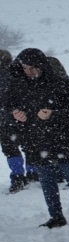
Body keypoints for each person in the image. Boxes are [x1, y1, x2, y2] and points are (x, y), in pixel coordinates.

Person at [8, 49, 69, 228]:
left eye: (32, 67)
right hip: (35, 142)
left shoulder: (61, 83)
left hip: (63, 140)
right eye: (25, 68)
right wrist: (15, 114)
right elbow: (8, 108)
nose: (29, 72)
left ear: (42, 65)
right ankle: (56, 216)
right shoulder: (18, 85)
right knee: (47, 182)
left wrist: (54, 114)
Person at [0, 48, 32, 193]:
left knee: (10, 149)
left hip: (5, 119)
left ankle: (18, 176)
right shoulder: (18, 74)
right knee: (29, 146)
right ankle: (33, 172)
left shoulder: (13, 75)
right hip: (21, 117)